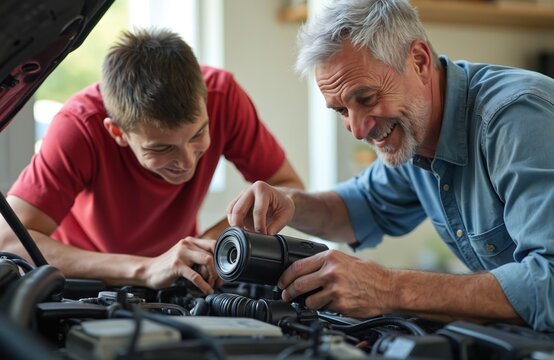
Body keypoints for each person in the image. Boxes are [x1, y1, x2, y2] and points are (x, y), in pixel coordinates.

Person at [226, 0, 554, 331]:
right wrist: (292, 204)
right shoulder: (416, 134)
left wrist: (388, 288)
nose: (356, 129)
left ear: (420, 61)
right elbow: (358, 208)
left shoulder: (517, 119)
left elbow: (550, 283)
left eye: (366, 99)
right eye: (341, 111)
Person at [0, 28, 303, 294]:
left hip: (180, 280)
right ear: (117, 131)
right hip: (87, 283)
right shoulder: (78, 126)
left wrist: (212, 241)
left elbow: (287, 188)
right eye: (161, 148)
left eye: (198, 134)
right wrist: (145, 269)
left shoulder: (223, 96)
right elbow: (10, 243)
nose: (186, 162)